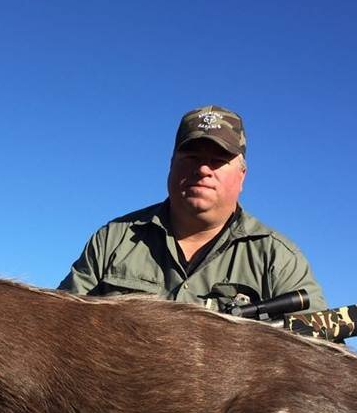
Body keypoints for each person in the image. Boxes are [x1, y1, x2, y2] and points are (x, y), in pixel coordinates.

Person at [59, 105, 327, 313]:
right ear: (171, 164)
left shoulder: (278, 259)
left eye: (218, 160)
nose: (202, 170)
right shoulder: (113, 240)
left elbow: (317, 359)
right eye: (191, 157)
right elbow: (60, 324)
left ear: (242, 175)